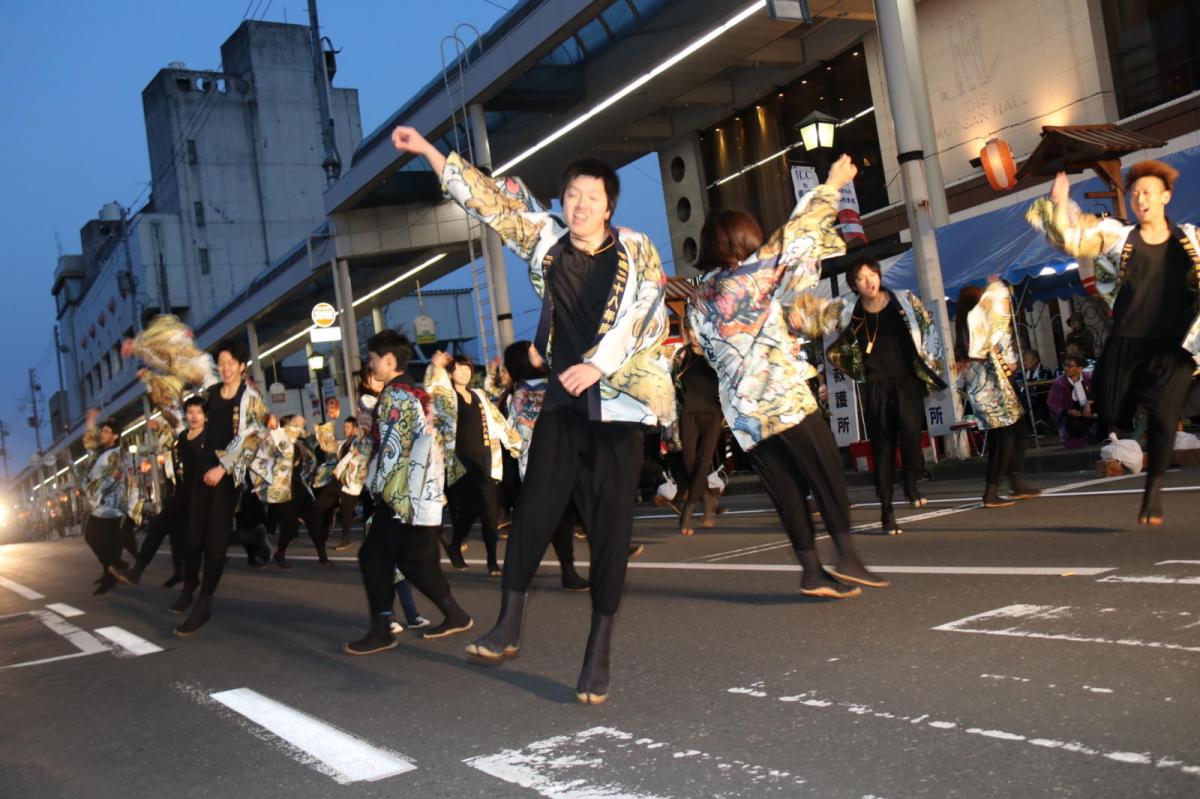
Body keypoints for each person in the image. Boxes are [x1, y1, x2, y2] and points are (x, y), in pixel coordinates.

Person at [391, 126, 674, 705]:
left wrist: (596, 363)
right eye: (571, 194)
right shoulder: (546, 242)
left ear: (609, 206)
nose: (579, 205)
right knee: (533, 510)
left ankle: (598, 651)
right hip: (564, 405)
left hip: (618, 407)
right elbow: (492, 204)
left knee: (610, 530)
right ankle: (509, 622)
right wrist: (427, 151)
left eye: (591, 197)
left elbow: (646, 316)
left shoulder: (636, 249)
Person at [688, 155, 886, 597]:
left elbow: (701, 347)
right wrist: (834, 182)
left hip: (741, 413)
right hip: (781, 398)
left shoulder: (698, 296)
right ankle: (847, 555)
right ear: (743, 240)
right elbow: (798, 231)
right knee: (826, 472)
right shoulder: (754, 274)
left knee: (785, 487)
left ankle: (812, 570)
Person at [1028, 161, 1200, 524]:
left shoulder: (1190, 240)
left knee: (1165, 415)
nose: (1141, 199)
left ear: (1165, 196)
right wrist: (1062, 205)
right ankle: (1127, 422)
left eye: (1148, 192)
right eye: (1135, 193)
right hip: (1128, 341)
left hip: (1174, 346)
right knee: (1111, 409)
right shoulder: (1119, 236)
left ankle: (1152, 492)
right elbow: (1077, 238)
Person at [343, 329, 474, 654]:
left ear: (389, 360)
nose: (370, 365)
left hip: (401, 495)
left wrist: (379, 492)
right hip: (421, 492)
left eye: (373, 359)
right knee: (416, 562)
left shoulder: (395, 397)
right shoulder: (413, 391)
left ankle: (381, 630)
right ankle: (455, 615)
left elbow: (392, 450)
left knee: (374, 556)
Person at [828, 256, 947, 535]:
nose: (868, 280)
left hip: (906, 381)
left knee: (909, 432)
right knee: (882, 446)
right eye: (861, 277)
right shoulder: (850, 312)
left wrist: (931, 367)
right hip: (875, 384)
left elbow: (929, 328)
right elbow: (829, 333)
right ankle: (886, 509)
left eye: (872, 273)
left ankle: (910, 481)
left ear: (879, 275)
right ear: (854, 285)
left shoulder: (903, 300)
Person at [502, 340, 590, 591]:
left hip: (556, 460)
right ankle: (556, 572)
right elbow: (521, 435)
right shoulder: (527, 393)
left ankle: (570, 571)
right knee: (557, 520)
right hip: (545, 465)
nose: (538, 353)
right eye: (532, 352)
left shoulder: (536, 387)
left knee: (568, 515)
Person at [426, 352, 520, 575]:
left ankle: (490, 560)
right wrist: (435, 366)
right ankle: (457, 546)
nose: (465, 371)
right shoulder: (446, 396)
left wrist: (514, 442)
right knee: (471, 508)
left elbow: (497, 419)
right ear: (450, 373)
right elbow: (432, 390)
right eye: (459, 368)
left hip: (485, 460)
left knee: (488, 510)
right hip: (459, 462)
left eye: (467, 368)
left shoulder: (479, 395)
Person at [953, 281, 1043, 507]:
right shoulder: (976, 325)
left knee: (1015, 435)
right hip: (992, 388)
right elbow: (1001, 357)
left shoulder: (969, 326)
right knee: (1004, 439)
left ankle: (1015, 481)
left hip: (995, 386)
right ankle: (991, 491)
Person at [112, 398, 207, 589]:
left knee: (203, 539)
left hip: (201, 493)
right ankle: (143, 572)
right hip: (181, 490)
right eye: (190, 412)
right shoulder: (180, 437)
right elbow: (161, 448)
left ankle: (251, 536)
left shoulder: (209, 436)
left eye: (198, 412)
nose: (194, 416)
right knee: (164, 528)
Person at [77, 412, 141, 595]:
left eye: (106, 431)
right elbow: (89, 443)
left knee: (93, 536)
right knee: (105, 541)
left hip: (110, 505)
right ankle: (110, 572)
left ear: (115, 436)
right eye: (102, 431)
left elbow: (111, 479)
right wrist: (90, 421)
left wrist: (96, 495)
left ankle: (112, 569)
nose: (102, 434)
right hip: (101, 504)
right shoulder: (101, 451)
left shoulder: (116, 454)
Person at [670, 320, 725, 535]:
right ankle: (707, 497)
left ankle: (688, 512)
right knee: (689, 460)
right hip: (688, 413)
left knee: (703, 461)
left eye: (698, 330)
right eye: (690, 330)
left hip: (712, 414)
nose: (694, 335)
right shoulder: (681, 356)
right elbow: (671, 383)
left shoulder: (716, 354)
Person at [1046, 354, 1100, 448]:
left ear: (1080, 368)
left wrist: (1090, 402)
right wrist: (1068, 411)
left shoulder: (1089, 378)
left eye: (1070, 366)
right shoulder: (1060, 383)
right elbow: (1053, 403)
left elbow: (1098, 393)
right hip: (1072, 416)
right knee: (1076, 427)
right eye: (1065, 365)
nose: (1066, 368)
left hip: (1091, 412)